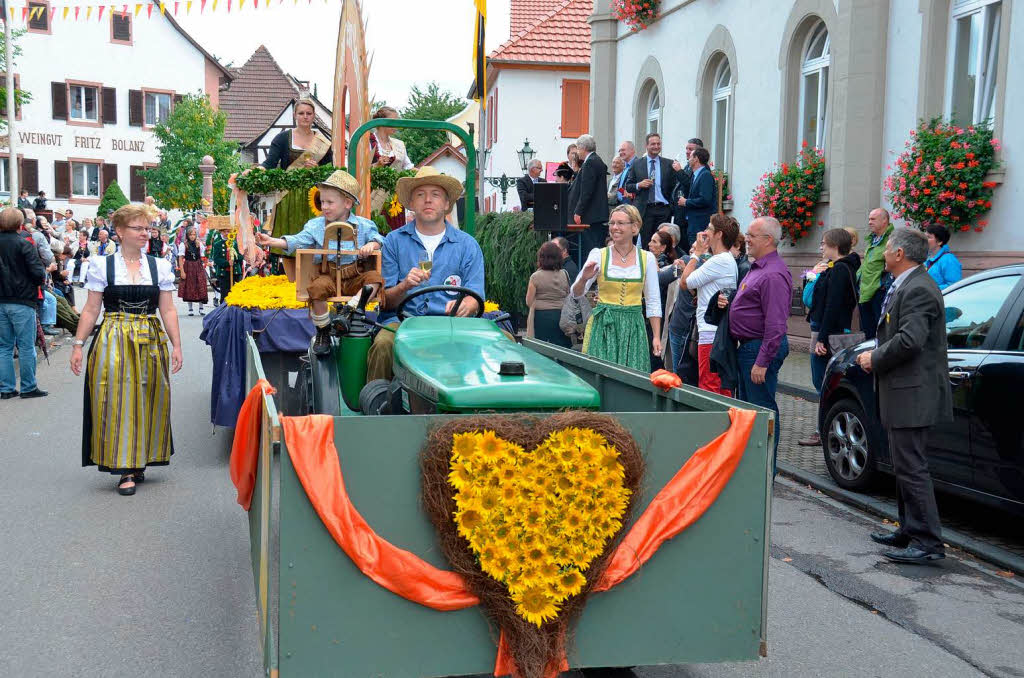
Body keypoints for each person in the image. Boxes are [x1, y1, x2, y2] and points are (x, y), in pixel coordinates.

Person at [70, 204, 182, 496]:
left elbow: (168, 310)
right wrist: (78, 345)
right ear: (120, 231)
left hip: (150, 337)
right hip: (113, 338)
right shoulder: (102, 265)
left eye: (147, 228)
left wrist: (177, 345)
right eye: (138, 228)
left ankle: (139, 458)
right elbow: (91, 309)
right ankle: (124, 468)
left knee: (149, 395)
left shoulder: (160, 266)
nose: (145, 234)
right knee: (116, 398)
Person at [856, 228, 951, 565]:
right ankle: (909, 530)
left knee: (912, 467)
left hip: (913, 393)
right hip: (902, 390)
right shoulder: (908, 284)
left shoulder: (919, 288)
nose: (883, 252)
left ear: (900, 254)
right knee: (903, 465)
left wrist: (874, 358)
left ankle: (928, 543)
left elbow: (911, 340)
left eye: (889, 248)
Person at [366, 166, 485, 382]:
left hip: (452, 325)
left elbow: (475, 293)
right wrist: (405, 286)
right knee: (383, 344)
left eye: (435, 195)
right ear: (411, 204)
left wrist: (467, 305)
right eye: (420, 195)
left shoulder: (467, 245)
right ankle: (376, 405)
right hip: (403, 323)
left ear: (447, 204)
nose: (428, 200)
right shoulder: (393, 241)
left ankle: (482, 409)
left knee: (501, 340)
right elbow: (385, 303)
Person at [258, 170, 384, 355]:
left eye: (330, 202)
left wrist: (372, 245)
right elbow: (298, 240)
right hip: (329, 276)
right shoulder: (315, 225)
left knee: (375, 278)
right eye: (322, 202)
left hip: (353, 276)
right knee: (316, 289)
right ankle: (323, 330)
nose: (324, 206)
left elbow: (379, 239)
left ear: (348, 203)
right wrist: (273, 241)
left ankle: (351, 309)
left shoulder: (364, 225)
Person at [726, 217, 792, 471]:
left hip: (758, 349)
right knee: (749, 412)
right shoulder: (760, 268)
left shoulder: (773, 274)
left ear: (768, 240)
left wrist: (762, 361)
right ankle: (753, 470)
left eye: (752, 235)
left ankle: (764, 473)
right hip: (750, 347)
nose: (747, 239)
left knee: (762, 412)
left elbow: (775, 325)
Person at [570, 205, 662, 372]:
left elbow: (653, 300)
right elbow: (576, 293)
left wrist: (656, 336)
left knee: (634, 377)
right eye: (612, 223)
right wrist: (584, 278)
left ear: (634, 227)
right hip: (605, 326)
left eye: (620, 223)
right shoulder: (599, 254)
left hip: (633, 327)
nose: (614, 227)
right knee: (602, 376)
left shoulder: (646, 258)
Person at [800, 228, 861, 446]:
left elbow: (832, 307)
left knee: (823, 382)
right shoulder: (836, 268)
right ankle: (825, 428)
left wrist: (822, 340)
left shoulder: (840, 270)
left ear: (834, 246)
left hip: (827, 332)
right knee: (822, 381)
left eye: (824, 243)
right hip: (824, 329)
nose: (821, 247)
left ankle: (823, 430)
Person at [262, 96, 334, 275]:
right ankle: (290, 281)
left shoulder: (323, 141)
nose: (305, 117)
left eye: (309, 113)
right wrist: (255, 172)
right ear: (295, 115)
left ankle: (308, 280)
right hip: (289, 196)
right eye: (301, 113)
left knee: (312, 239)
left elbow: (330, 171)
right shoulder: (282, 138)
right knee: (288, 236)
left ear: (314, 116)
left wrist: (317, 169)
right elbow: (270, 164)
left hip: (314, 198)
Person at [679, 214, 739, 396]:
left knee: (710, 388)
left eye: (709, 229)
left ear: (719, 234)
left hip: (710, 333)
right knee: (718, 387)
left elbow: (685, 282)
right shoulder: (726, 260)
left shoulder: (719, 260)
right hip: (717, 331)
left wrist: (696, 254)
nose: (705, 232)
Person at [0, 208, 48, 399]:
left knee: (4, 346)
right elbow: (38, 273)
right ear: (20, 224)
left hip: (1, 299)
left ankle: (6, 388)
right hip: (22, 299)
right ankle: (28, 387)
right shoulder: (24, 243)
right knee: (26, 345)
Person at [623, 133, 677, 247]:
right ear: (646, 146)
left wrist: (672, 206)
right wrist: (639, 185)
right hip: (645, 209)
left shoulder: (668, 164)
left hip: (663, 209)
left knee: (662, 243)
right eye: (653, 144)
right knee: (646, 243)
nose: (656, 146)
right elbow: (628, 186)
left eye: (658, 144)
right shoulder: (637, 164)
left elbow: (674, 186)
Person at [568, 134, 610, 255]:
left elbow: (587, 191)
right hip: (597, 214)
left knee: (591, 249)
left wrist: (578, 211)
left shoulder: (590, 163)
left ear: (583, 148)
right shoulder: (596, 160)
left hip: (591, 215)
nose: (577, 152)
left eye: (577, 148)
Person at [526, 241, 571, 348]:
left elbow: (529, 301)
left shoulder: (535, 277)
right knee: (562, 348)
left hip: (541, 317)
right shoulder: (564, 274)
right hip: (561, 316)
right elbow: (568, 295)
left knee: (542, 349)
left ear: (541, 258)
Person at [858, 208, 894, 339]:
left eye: (873, 219)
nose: (869, 222)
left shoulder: (892, 239)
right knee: (868, 333)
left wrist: (883, 285)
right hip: (866, 291)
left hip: (880, 292)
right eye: (869, 219)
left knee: (879, 334)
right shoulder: (872, 239)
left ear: (884, 220)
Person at [679, 147, 717, 251]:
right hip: (694, 222)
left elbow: (705, 199)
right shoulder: (696, 175)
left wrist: (686, 202)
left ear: (696, 159)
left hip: (700, 223)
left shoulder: (705, 175)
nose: (688, 159)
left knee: (698, 253)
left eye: (690, 156)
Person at [671, 137, 703, 247]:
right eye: (686, 149)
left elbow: (690, 185)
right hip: (679, 213)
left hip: (688, 214)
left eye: (690, 149)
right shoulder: (687, 166)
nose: (687, 152)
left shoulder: (701, 171)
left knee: (686, 246)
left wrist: (679, 171)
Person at [178, 226, 209, 316]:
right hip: (188, 266)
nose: (192, 236)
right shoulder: (183, 245)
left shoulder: (199, 244)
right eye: (191, 234)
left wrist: (205, 264)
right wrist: (182, 271)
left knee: (201, 285)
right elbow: (180, 259)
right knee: (190, 286)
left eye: (194, 234)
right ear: (187, 235)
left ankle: (201, 307)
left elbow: (203, 256)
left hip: (198, 265)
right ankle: (190, 308)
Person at [923, 224, 962, 290]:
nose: (924, 240)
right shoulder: (927, 257)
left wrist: (929, 289)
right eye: (924, 236)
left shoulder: (949, 260)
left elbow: (954, 286)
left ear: (940, 242)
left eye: (928, 237)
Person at [613, 140, 636, 205]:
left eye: (623, 150)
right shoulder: (625, 167)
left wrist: (632, 195)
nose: (620, 152)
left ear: (632, 150)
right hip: (621, 204)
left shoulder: (638, 164)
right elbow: (622, 187)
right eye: (619, 151)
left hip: (631, 206)